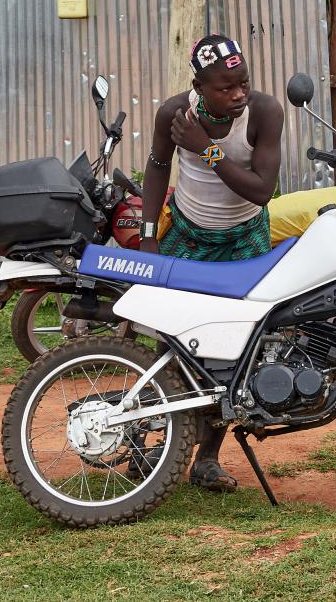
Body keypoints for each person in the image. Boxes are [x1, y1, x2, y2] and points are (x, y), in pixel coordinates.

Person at [138, 34, 284, 492]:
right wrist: (147, 236)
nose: (238, 94)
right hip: (186, 236)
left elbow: (261, 190)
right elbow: (158, 166)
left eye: (243, 83)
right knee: (171, 346)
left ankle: (207, 459)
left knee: (234, 352)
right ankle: (148, 449)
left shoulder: (264, 112)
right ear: (198, 85)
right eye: (225, 88)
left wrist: (208, 149)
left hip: (245, 239)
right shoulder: (173, 114)